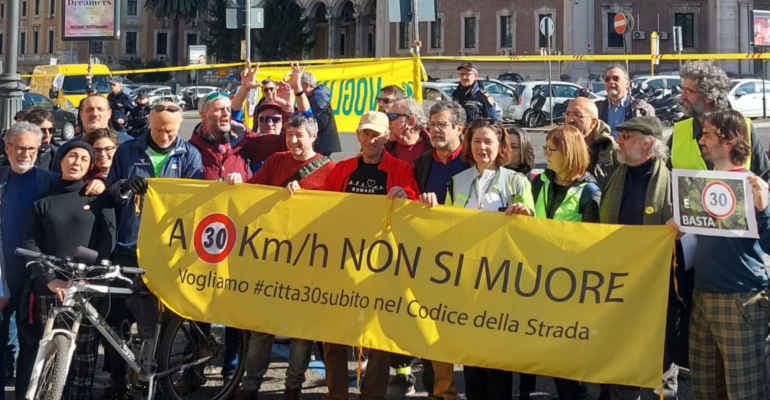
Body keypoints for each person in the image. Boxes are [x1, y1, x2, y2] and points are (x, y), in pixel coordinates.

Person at [225, 114, 335, 400]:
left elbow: (337, 216)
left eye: (299, 135)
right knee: (263, 327)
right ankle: (250, 385)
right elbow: (253, 192)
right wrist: (238, 181)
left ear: (313, 137)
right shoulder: (276, 161)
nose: (294, 141)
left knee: (300, 331)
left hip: (309, 261)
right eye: (290, 135)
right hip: (272, 258)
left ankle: (293, 387)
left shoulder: (331, 170)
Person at [421, 120, 532, 400]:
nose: (482, 147)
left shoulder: (516, 181)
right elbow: (444, 226)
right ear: (469, 145)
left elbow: (535, 229)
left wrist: (525, 214)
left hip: (501, 282)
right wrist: (431, 206)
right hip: (466, 280)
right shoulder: (457, 181)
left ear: (500, 147)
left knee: (497, 361)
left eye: (488, 142)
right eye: (477, 141)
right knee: (471, 359)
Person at [106, 102, 203, 397]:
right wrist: (124, 185)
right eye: (158, 128)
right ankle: (117, 381)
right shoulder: (126, 151)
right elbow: (112, 192)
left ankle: (158, 379)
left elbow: (196, 200)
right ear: (149, 122)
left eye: (170, 130)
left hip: (167, 249)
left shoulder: (190, 154)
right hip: (129, 245)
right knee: (118, 317)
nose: (164, 135)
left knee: (160, 321)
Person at [322, 111, 418, 400]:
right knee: (334, 336)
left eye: (376, 133)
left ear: (387, 136)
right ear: (357, 136)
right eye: (365, 133)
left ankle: (372, 395)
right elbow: (320, 203)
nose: (370, 138)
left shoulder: (401, 168)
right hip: (344, 262)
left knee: (378, 337)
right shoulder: (342, 169)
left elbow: (413, 203)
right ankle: (336, 394)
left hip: (381, 265)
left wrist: (407, 195)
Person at [676, 109, 770, 400]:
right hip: (703, 294)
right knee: (705, 385)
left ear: (728, 141)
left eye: (707, 134)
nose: (700, 140)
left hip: (740, 298)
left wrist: (764, 210)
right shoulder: (700, 183)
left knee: (744, 388)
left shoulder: (753, 184)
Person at [598, 116, 685, 399]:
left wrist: (680, 231)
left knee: (660, 359)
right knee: (622, 355)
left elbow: (688, 239)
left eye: (627, 136)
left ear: (648, 143)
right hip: (620, 283)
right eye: (620, 135)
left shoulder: (673, 184)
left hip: (657, 289)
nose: (619, 142)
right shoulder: (615, 177)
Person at [22, 140, 115, 400]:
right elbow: (30, 242)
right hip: (50, 286)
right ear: (61, 160)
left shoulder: (99, 197)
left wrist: (87, 276)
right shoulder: (43, 201)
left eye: (84, 159)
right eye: (72, 156)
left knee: (84, 359)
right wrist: (50, 280)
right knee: (49, 355)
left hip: (85, 284)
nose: (77, 162)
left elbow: (107, 241)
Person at [527, 125, 599, 400]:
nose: (545, 153)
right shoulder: (539, 182)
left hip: (571, 285)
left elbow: (594, 241)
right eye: (545, 148)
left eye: (551, 149)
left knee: (569, 359)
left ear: (568, 152)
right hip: (540, 279)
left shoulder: (589, 192)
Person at [411, 100, 469, 400]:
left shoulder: (474, 160)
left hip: (470, 259)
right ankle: (442, 391)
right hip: (433, 260)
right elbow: (411, 196)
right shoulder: (423, 163)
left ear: (459, 128)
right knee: (433, 328)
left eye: (441, 125)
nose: (434, 130)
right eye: (431, 125)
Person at [0, 122, 56, 400]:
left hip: (35, 281)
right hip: (2, 278)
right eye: (20, 147)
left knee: (31, 348)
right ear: (7, 147)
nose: (25, 153)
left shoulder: (48, 181)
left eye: (32, 149)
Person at [671, 60, 770, 178]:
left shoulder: (743, 127)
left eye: (690, 91)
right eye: (683, 90)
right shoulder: (679, 131)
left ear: (708, 96)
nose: (682, 97)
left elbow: (764, 176)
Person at [564, 97, 618, 189]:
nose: (570, 120)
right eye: (567, 114)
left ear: (593, 123)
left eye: (578, 115)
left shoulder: (612, 151)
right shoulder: (560, 146)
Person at [595, 64, 655, 138]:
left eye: (616, 78)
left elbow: (651, 139)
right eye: (607, 79)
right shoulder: (597, 109)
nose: (611, 82)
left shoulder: (642, 109)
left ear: (627, 84)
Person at [300, 71, 342, 155]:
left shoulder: (318, 97)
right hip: (322, 142)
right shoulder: (315, 96)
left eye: (300, 85)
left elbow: (318, 121)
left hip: (322, 142)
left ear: (306, 84)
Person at [386, 98, 432, 164]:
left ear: (411, 121)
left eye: (392, 116)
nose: (388, 121)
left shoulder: (436, 149)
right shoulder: (383, 148)